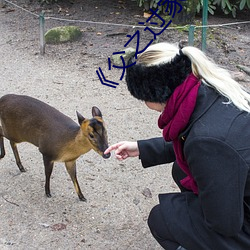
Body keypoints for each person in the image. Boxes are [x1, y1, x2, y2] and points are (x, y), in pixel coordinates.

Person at [104, 42, 250, 250]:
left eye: (143, 98)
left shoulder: (207, 142)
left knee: (162, 218)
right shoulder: (210, 88)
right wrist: (142, 148)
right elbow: (194, 138)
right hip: (241, 187)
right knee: (181, 170)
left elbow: (225, 224)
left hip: (241, 222)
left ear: (155, 93)